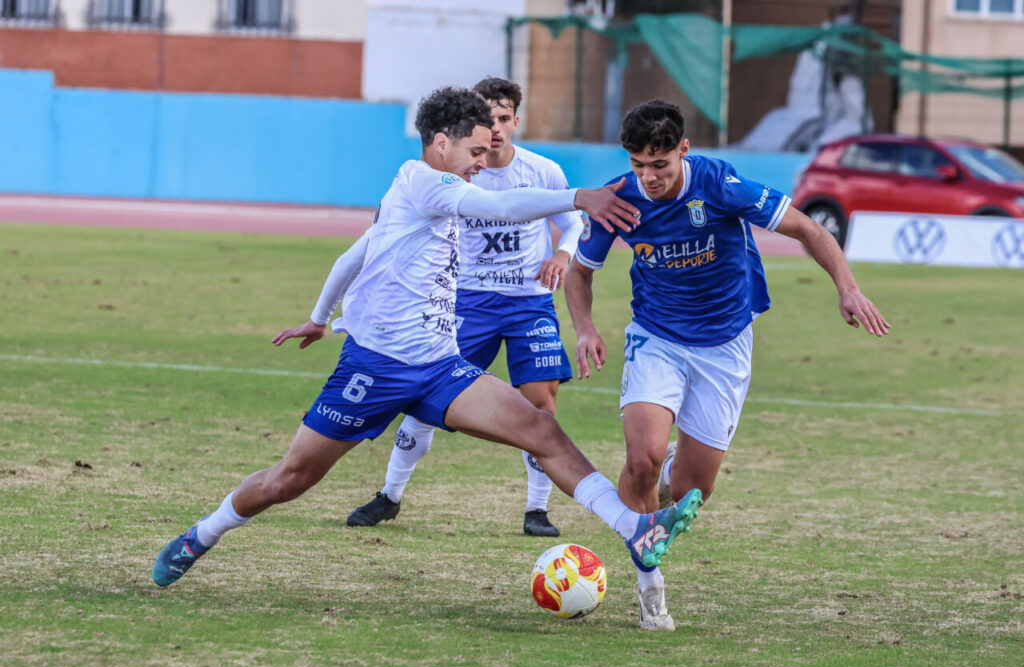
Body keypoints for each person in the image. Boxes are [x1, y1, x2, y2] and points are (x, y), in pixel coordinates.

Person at [152, 87, 703, 596]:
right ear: (441, 144)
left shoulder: (430, 191)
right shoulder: (421, 181)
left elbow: (354, 254)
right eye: (474, 151)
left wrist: (320, 318)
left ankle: (634, 527)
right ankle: (203, 534)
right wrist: (580, 197)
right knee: (289, 479)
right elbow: (501, 207)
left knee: (542, 428)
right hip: (377, 367)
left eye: (487, 153)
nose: (482, 163)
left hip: (440, 366)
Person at [564, 100, 890, 631]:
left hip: (724, 347)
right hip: (656, 338)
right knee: (639, 460)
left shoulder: (719, 184)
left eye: (660, 166)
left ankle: (674, 472)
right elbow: (579, 274)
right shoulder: (619, 199)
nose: (648, 178)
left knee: (693, 490)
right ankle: (650, 583)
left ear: (683, 151)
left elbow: (809, 229)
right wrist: (585, 329)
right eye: (638, 165)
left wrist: (848, 290)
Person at [345, 77, 583, 538]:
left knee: (541, 405)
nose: (494, 128)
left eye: (503, 118)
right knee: (424, 400)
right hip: (468, 301)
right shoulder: (451, 177)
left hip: (529, 303)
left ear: (516, 119)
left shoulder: (543, 170)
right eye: (486, 119)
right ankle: (390, 495)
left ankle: (537, 509)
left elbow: (570, 225)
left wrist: (561, 254)